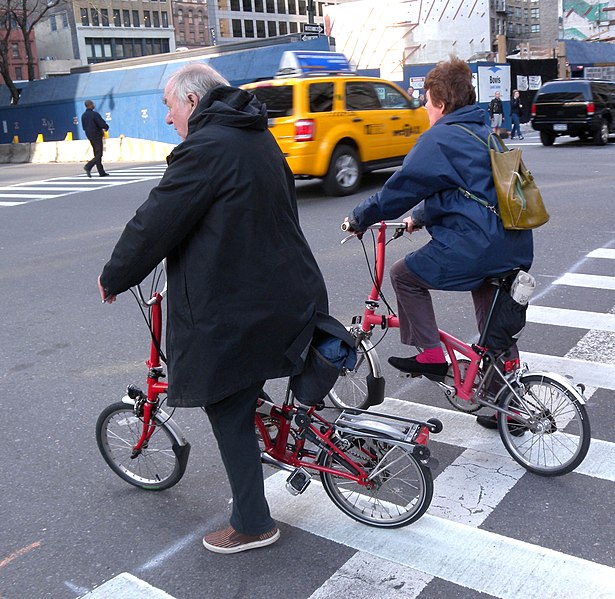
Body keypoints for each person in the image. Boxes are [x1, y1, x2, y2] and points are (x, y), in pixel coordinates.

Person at [97, 63, 328, 553]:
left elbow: (155, 221)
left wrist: (115, 275)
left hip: (245, 306)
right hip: (289, 292)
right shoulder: (254, 135)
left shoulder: (205, 148)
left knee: (225, 401)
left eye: (168, 106)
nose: (166, 118)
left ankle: (252, 523)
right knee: (246, 386)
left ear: (194, 102)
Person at [344, 57, 533, 430]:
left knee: (403, 275)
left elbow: (401, 187)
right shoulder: (483, 131)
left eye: (427, 101)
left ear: (442, 104)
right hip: (512, 243)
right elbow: (466, 190)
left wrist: (360, 218)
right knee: (492, 329)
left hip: (478, 244)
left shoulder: (440, 138)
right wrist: (422, 217)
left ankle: (430, 355)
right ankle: (503, 406)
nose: (424, 108)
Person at [81, 100, 110, 177]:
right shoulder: (94, 114)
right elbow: (101, 123)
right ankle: (88, 166)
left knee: (96, 153)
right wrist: (106, 127)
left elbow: (84, 127)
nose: (94, 105)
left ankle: (101, 171)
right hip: (97, 135)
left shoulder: (83, 115)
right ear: (90, 105)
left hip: (89, 136)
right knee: (99, 154)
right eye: (92, 104)